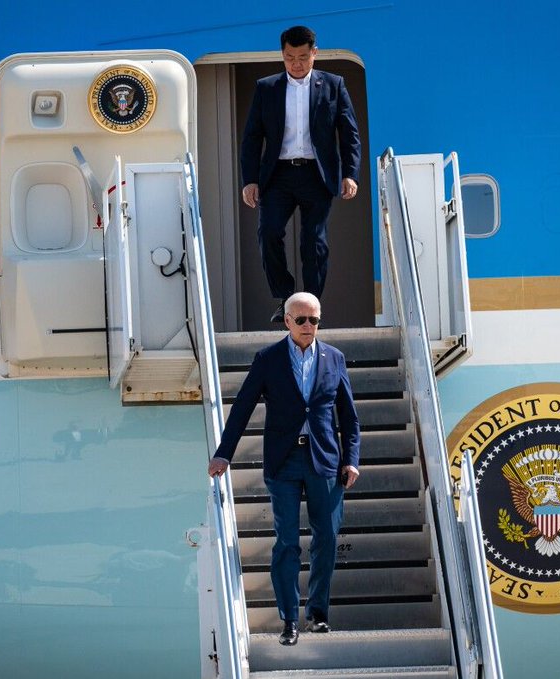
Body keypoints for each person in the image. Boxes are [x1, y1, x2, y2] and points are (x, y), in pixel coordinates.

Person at [208, 292, 360, 646]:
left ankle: (318, 614)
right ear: (287, 320)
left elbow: (349, 417)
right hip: (284, 462)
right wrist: (224, 454)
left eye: (315, 320)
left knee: (327, 538)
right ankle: (290, 619)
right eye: (302, 320)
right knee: (287, 543)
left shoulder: (334, 358)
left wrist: (351, 459)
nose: (310, 326)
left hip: (325, 462)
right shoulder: (268, 359)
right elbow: (243, 406)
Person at [240, 25, 362, 323]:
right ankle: (285, 297)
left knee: (313, 241)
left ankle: (311, 303)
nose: (296, 63)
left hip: (316, 175)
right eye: (290, 57)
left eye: (303, 57)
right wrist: (250, 180)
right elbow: (252, 137)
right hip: (277, 175)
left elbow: (349, 134)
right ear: (282, 55)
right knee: (268, 232)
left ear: (314, 54)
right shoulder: (266, 87)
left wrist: (350, 173)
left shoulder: (334, 85)